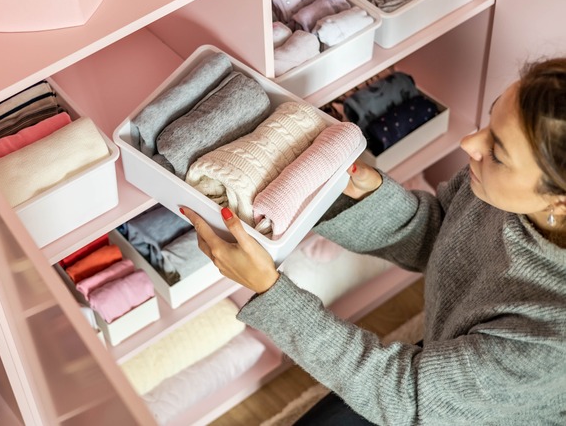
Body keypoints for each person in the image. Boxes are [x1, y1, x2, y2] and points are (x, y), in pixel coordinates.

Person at [179, 57, 566, 425]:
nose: (470, 144)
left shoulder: (549, 341)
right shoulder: (500, 193)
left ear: (558, 204)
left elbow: (405, 396)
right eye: (489, 120)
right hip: (446, 376)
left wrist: (271, 290)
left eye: (496, 152)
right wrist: (363, 197)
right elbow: (445, 239)